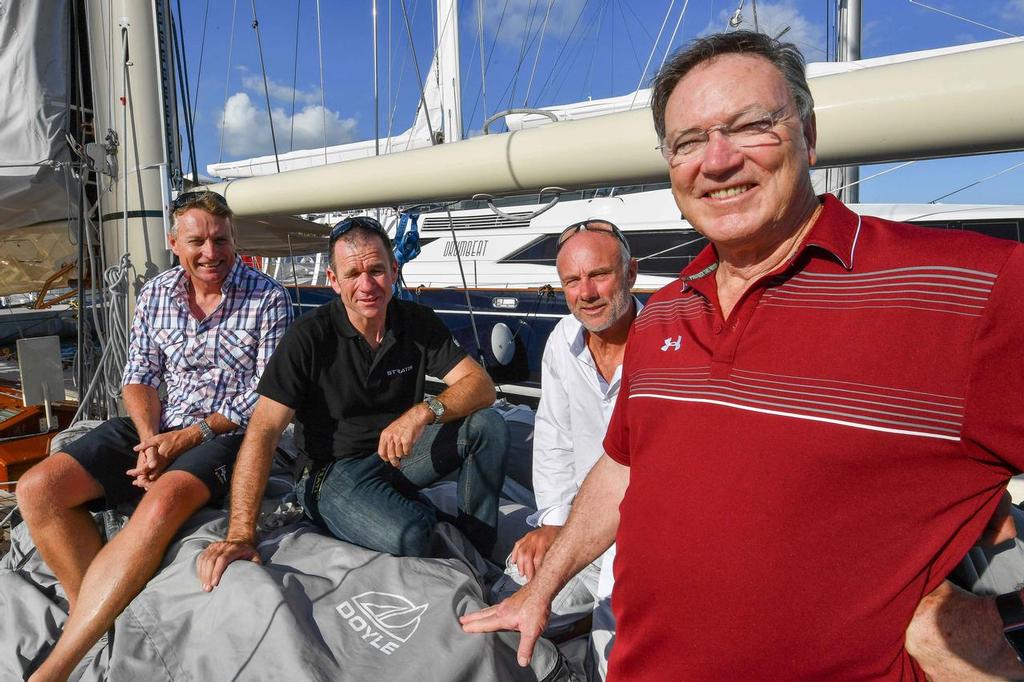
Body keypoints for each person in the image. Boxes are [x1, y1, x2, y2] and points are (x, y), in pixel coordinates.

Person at [461, 30, 1024, 679]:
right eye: (689, 141)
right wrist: (543, 587)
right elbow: (621, 467)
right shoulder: (667, 310)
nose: (717, 160)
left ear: (808, 134)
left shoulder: (968, 292)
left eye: (751, 125)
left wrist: (988, 620)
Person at [17, 190, 293, 682]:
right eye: (197, 241)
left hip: (226, 433)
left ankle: (55, 670)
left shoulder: (268, 297)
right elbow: (139, 375)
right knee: (38, 490)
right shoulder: (157, 294)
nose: (211, 253)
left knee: (162, 503)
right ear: (173, 243)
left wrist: (185, 440)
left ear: (234, 239)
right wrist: (150, 439)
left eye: (220, 239)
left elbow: (264, 397)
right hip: (160, 425)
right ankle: (94, 617)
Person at [196, 216, 508, 589]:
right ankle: (418, 523)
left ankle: (477, 552)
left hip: (396, 453)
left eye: (376, 270)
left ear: (394, 270)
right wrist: (241, 535)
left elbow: (480, 386)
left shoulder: (416, 321)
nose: (366, 285)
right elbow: (263, 430)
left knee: (489, 425)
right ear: (333, 280)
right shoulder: (309, 337)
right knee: (413, 533)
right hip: (330, 472)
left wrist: (423, 412)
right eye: (353, 274)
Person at [508, 218, 639, 681]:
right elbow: (553, 436)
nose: (585, 292)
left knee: (616, 659)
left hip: (640, 541)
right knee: (509, 602)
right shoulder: (562, 342)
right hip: (579, 525)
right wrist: (553, 522)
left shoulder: (665, 353)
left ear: (631, 274)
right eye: (571, 280)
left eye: (599, 274)